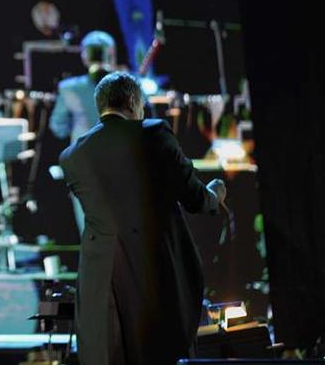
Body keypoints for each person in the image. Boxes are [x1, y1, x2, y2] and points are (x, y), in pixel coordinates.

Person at [59, 72, 227, 365]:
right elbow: (195, 198)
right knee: (156, 351)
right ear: (134, 102)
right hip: (151, 267)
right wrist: (216, 194)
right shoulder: (154, 134)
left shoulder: (73, 156)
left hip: (100, 277)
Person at [49, 30, 116, 234]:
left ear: (84, 56)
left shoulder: (69, 88)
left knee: (90, 228)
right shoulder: (129, 83)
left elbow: (57, 127)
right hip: (121, 164)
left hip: (84, 167)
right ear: (111, 54)